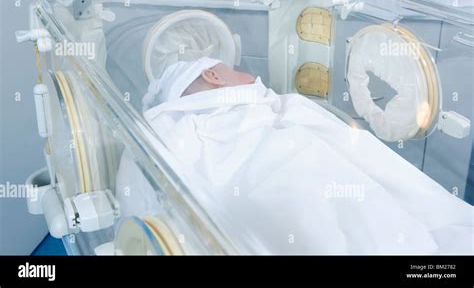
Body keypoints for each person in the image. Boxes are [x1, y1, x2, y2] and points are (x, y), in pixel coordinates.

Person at [117, 57, 473, 255]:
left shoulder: (173, 130)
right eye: (234, 68)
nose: (252, 75)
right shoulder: (191, 126)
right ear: (213, 76)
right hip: (286, 180)